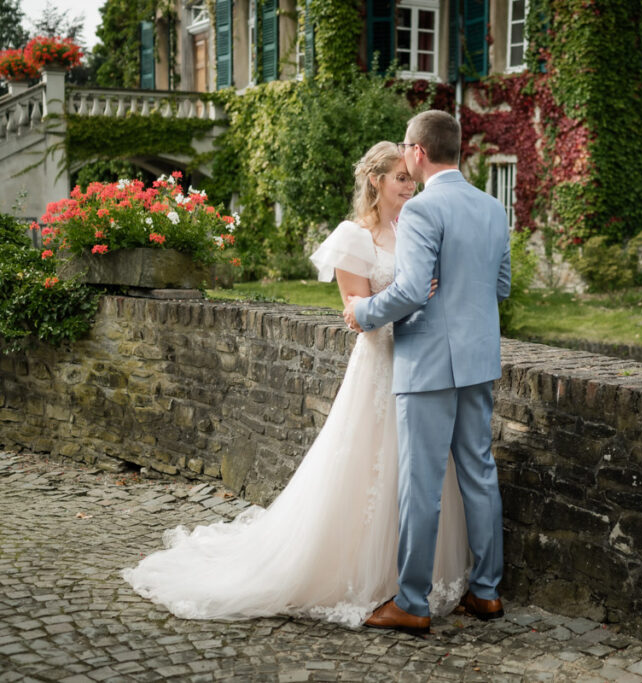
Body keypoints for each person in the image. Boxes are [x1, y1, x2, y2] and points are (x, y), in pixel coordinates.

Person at [122, 141, 472, 625]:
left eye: (411, 179)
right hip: (379, 367)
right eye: (401, 179)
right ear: (376, 181)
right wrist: (413, 296)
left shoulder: (414, 227)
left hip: (423, 363)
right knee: (368, 467)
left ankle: (412, 577)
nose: (410, 187)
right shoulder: (355, 237)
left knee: (420, 470)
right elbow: (359, 317)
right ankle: (365, 577)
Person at [344, 110, 511, 635]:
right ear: (456, 149)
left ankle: (412, 602)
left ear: (417, 152)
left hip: (429, 363)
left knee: (420, 483)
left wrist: (362, 313)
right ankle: (486, 593)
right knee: (479, 474)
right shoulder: (492, 207)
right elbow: (500, 286)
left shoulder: (419, 210)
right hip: (479, 358)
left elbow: (414, 290)